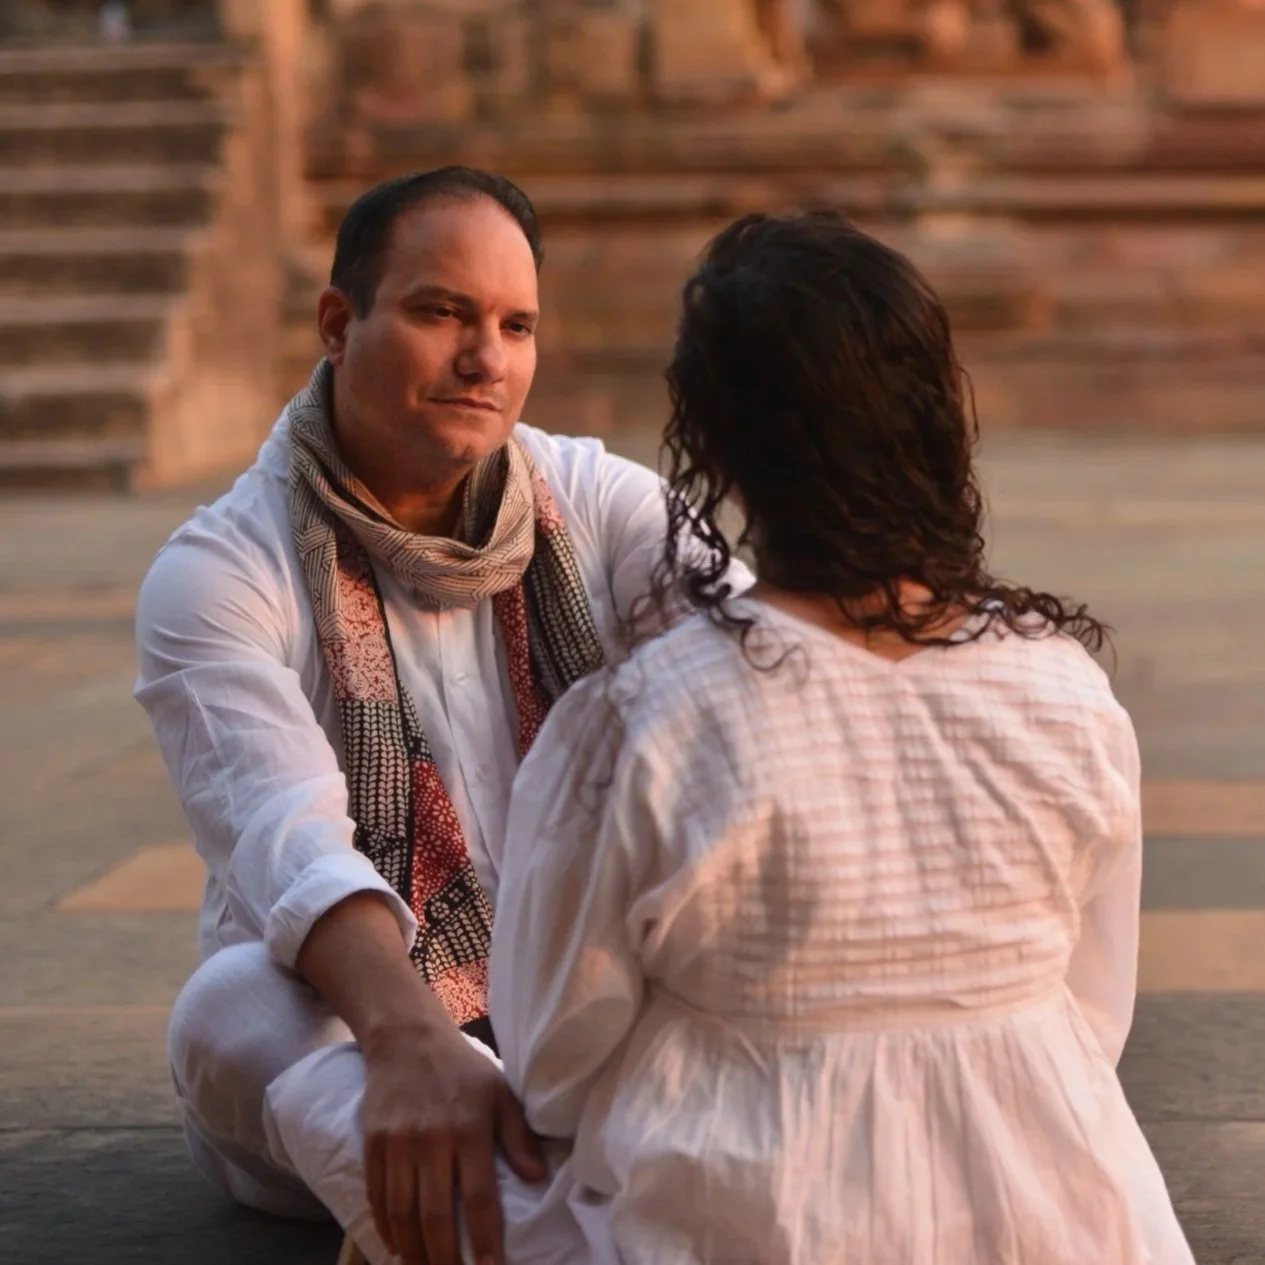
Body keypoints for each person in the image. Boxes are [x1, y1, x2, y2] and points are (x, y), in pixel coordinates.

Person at [475, 212, 1195, 1262]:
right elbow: (1092, 1012)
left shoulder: (643, 719)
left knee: (316, 1073)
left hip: (746, 1213)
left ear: (715, 444)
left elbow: (551, 1060)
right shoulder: (1064, 690)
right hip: (1067, 1212)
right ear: (935, 425)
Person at [134, 166, 734, 1265]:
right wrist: (411, 1036)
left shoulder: (594, 501)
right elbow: (287, 838)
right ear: (335, 323)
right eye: (439, 312)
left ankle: (513, 1214)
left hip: (590, 1004)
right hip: (367, 1036)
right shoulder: (220, 572)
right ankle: (567, 1207)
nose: (485, 356)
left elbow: (755, 670)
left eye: (514, 324)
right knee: (230, 1008)